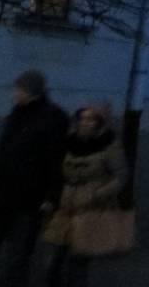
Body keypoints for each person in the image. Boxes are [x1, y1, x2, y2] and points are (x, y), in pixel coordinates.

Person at [0, 70, 69, 287]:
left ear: (30, 91)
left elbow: (56, 161)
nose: (13, 94)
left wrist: (51, 196)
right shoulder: (16, 114)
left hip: (28, 202)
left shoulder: (52, 118)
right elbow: (3, 154)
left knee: (17, 261)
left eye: (17, 89)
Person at [43, 103, 130, 287]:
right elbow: (59, 172)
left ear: (99, 122)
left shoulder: (109, 145)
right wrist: (52, 198)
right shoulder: (70, 142)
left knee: (78, 263)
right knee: (53, 260)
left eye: (90, 119)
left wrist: (98, 194)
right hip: (66, 208)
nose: (85, 122)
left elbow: (121, 176)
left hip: (91, 210)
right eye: (82, 118)